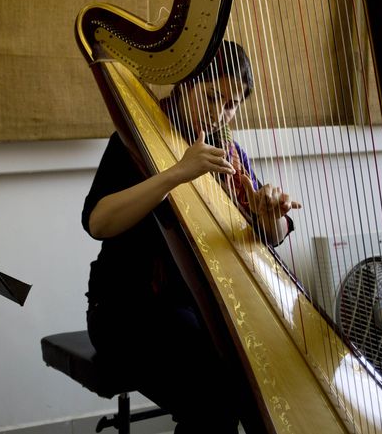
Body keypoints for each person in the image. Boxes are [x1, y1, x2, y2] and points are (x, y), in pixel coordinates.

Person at [82, 40, 300, 433]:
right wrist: (176, 174)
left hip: (202, 308)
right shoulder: (134, 138)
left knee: (267, 372)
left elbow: (271, 235)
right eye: (213, 96)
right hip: (128, 311)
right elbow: (98, 222)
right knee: (214, 397)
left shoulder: (228, 152)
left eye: (232, 104)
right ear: (184, 84)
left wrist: (269, 217)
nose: (220, 112)